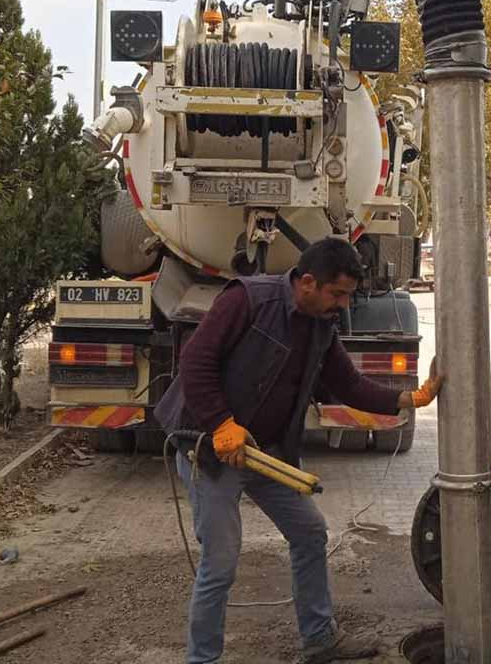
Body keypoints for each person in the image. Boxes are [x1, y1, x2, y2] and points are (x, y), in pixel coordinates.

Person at [154, 238, 442, 664]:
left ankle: (319, 639)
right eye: (337, 294)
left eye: (347, 296)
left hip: (266, 453)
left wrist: (409, 399)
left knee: (309, 532)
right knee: (221, 562)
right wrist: (220, 423)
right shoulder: (249, 299)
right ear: (307, 282)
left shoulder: (321, 324)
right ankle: (203, 659)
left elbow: (347, 384)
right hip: (212, 451)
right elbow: (196, 361)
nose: (343, 306)